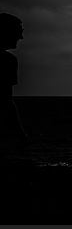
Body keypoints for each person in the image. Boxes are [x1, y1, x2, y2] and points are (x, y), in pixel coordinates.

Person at [0, 12, 28, 142]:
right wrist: (20, 134)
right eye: (19, 31)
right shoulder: (7, 60)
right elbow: (6, 101)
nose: (21, 37)